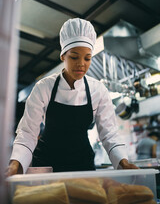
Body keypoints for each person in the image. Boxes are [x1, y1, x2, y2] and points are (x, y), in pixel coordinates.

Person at [6, 18, 138, 176]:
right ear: (63, 56)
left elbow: (109, 133)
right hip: (48, 164)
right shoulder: (44, 87)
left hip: (82, 164)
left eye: (87, 58)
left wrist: (122, 161)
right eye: (74, 57)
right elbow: (28, 132)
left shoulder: (98, 90)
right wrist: (16, 163)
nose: (81, 63)